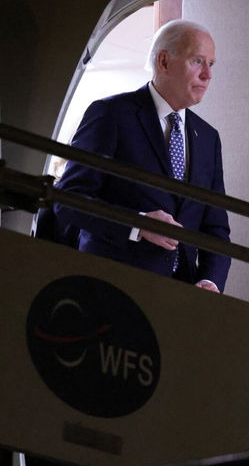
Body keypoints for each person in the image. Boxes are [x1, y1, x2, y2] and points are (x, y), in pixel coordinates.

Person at [47, 20, 230, 293]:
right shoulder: (111, 114)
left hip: (181, 296)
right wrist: (138, 223)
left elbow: (216, 228)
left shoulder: (208, 137)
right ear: (164, 61)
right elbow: (68, 200)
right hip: (112, 286)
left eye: (211, 64)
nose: (207, 75)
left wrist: (210, 280)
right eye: (197, 61)